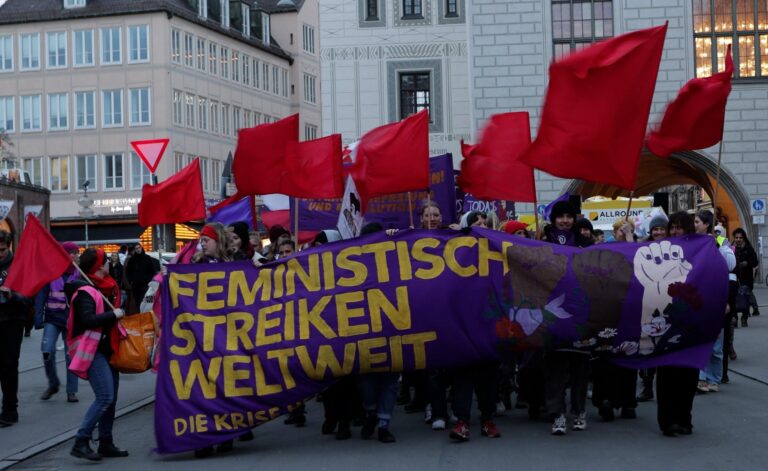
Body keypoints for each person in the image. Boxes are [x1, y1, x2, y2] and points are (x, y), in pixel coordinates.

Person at [66, 248, 128, 460]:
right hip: (93, 351)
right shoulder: (85, 291)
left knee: (111, 399)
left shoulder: (107, 286)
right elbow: (87, 320)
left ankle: (106, 442)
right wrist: (113, 315)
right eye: (106, 260)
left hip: (109, 348)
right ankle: (81, 440)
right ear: (99, 266)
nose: (109, 262)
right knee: (105, 397)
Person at [695, 210, 736, 394]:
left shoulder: (719, 241)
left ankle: (714, 379)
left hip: (716, 297)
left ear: (706, 224)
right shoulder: (692, 241)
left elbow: (730, 265)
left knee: (716, 345)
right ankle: (701, 378)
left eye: (697, 221)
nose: (695, 225)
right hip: (697, 297)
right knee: (700, 341)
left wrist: (717, 246)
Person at [34, 241, 81, 403]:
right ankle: (53, 383)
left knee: (70, 356)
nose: (75, 256)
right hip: (52, 318)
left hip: (71, 320)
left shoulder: (79, 274)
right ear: (63, 255)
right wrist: (38, 318)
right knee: (47, 351)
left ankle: (72, 391)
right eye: (72, 252)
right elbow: (41, 295)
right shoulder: (51, 272)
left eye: (77, 253)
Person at [0, 231, 31, 427]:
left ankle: (10, 410)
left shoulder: (18, 267)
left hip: (13, 321)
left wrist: (13, 296)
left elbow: (29, 297)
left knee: (9, 366)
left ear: (9, 246)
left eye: (2, 250)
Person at [637, 213, 669, 403]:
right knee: (646, 344)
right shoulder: (644, 248)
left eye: (661, 229)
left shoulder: (674, 248)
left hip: (668, 303)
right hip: (647, 302)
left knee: (665, 343)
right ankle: (647, 383)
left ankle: (665, 384)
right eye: (655, 229)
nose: (658, 232)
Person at [732, 228, 758, 327]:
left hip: (746, 278)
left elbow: (755, 262)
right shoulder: (731, 249)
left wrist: (747, 263)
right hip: (735, 278)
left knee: (745, 298)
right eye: (736, 237)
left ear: (744, 238)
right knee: (734, 298)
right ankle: (735, 318)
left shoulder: (749, 249)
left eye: (740, 238)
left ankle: (744, 317)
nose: (738, 239)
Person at [125, 244, 159, 311]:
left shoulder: (147, 258)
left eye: (139, 247)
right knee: (138, 302)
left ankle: (146, 314)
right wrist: (131, 281)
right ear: (135, 250)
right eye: (136, 248)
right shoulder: (132, 260)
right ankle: (139, 314)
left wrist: (148, 280)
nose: (138, 249)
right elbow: (128, 272)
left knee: (146, 302)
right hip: (136, 286)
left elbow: (152, 271)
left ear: (141, 248)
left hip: (146, 285)